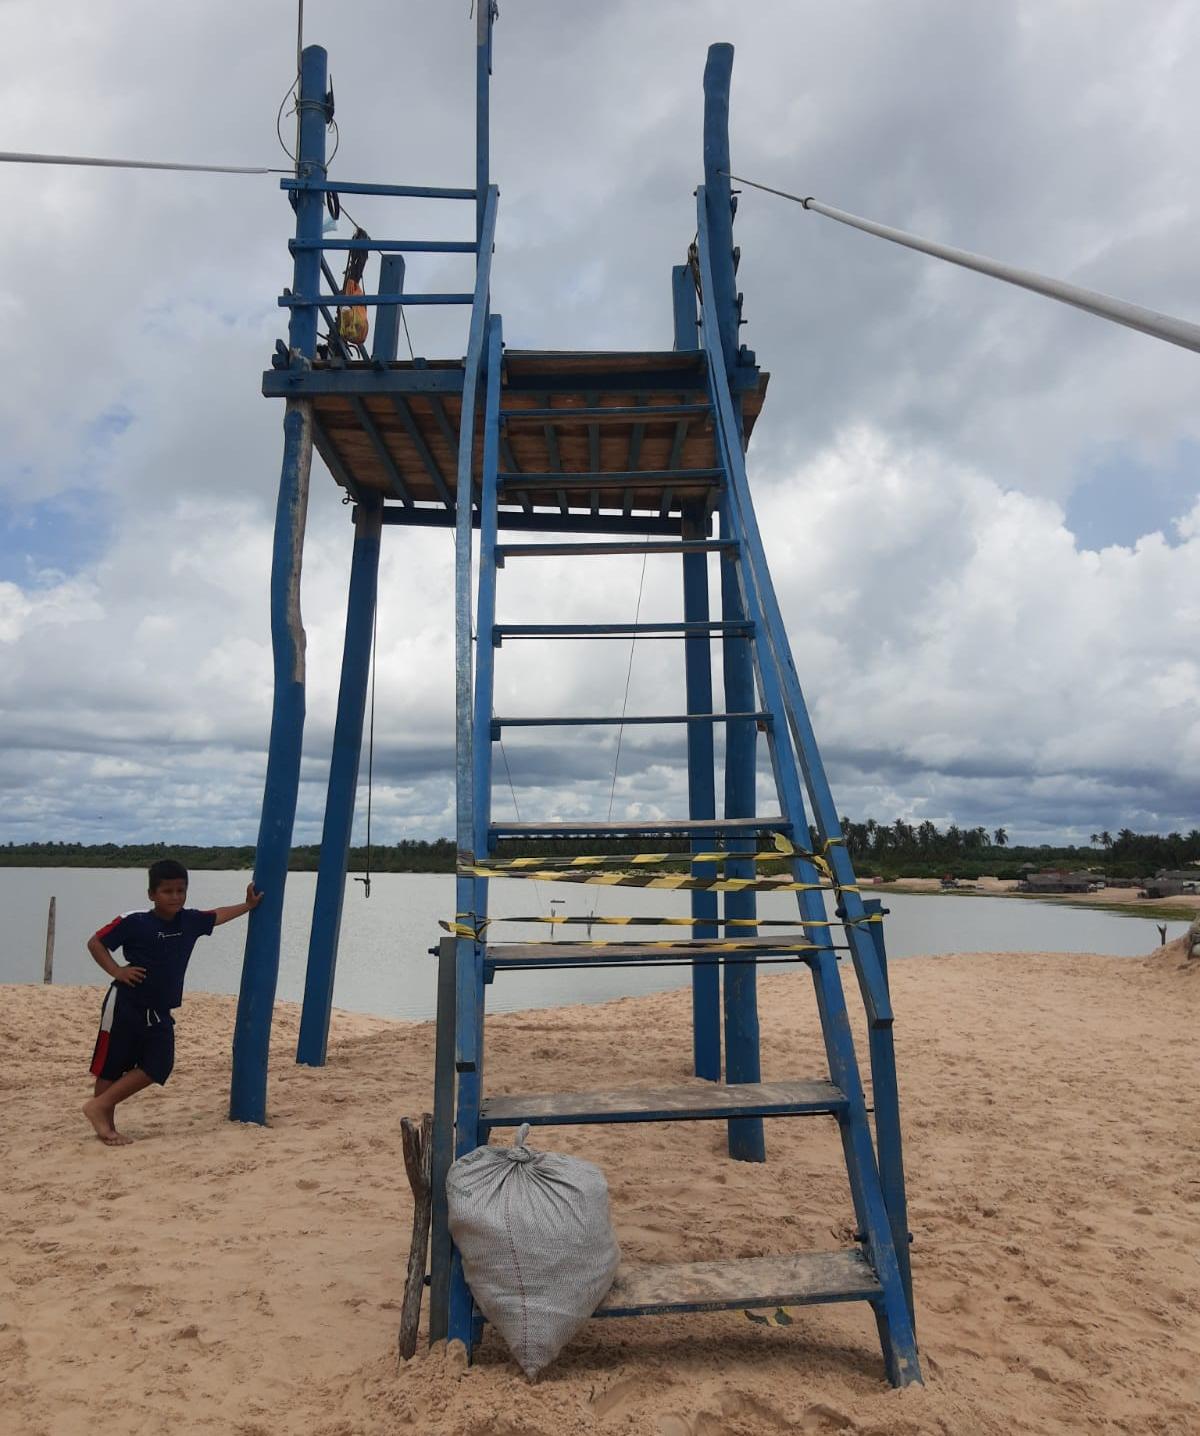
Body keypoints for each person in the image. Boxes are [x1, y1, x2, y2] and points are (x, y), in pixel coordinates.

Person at [83, 858, 262, 1145]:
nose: (176, 897)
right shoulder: (135, 921)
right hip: (125, 1005)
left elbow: (217, 914)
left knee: (160, 1064)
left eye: (181, 890)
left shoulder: (189, 921)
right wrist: (117, 970)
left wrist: (248, 906)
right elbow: (96, 943)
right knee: (111, 1065)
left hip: (160, 1010)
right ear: (152, 894)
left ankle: (98, 1106)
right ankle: (105, 1122)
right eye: (168, 891)